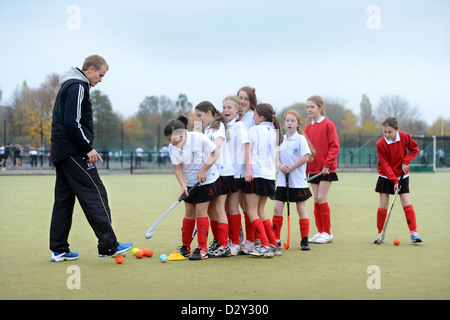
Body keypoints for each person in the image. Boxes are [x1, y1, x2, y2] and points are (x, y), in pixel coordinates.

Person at [49, 55, 132, 262]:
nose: (101, 80)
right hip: (73, 152)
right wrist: (87, 148)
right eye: (100, 75)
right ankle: (108, 246)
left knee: (64, 200)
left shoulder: (69, 85)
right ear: (91, 69)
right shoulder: (78, 86)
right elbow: (72, 122)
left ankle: (59, 249)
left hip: (61, 152)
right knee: (95, 192)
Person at [165, 114, 220, 260]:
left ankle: (202, 248)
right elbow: (178, 169)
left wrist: (204, 170)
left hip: (206, 180)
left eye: (173, 139)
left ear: (183, 134)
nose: (171, 142)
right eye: (169, 140)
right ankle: (186, 247)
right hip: (189, 183)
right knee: (189, 213)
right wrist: (183, 186)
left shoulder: (198, 138)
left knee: (201, 212)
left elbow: (216, 152)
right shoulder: (172, 147)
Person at [195, 101, 234, 258]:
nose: (198, 119)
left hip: (223, 172)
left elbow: (217, 144)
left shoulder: (218, 126)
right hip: (214, 173)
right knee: (211, 210)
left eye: (200, 115)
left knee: (219, 208)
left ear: (209, 113)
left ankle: (225, 246)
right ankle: (218, 241)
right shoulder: (207, 128)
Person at [374, 117, 422, 243]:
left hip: (403, 174)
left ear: (396, 130)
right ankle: (380, 233)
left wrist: (406, 161)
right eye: (384, 132)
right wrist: (394, 181)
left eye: (389, 132)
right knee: (383, 204)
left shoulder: (405, 137)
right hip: (385, 175)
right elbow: (385, 164)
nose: (387, 135)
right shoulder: (380, 144)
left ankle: (414, 233)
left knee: (406, 201)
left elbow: (414, 149)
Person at [244, 103, 283, 257]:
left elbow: (248, 151)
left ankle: (265, 245)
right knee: (261, 212)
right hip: (269, 177)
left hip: (256, 175)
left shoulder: (253, 130)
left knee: (251, 212)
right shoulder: (275, 131)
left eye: (254, 115)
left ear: (261, 117)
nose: (252, 118)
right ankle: (273, 244)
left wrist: (248, 170)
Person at [273, 110, 315, 251]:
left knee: (301, 208)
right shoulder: (281, 139)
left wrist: (290, 168)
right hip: (282, 181)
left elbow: (305, 157)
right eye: (287, 121)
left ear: (297, 123)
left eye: (293, 121)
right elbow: (276, 158)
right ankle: (276, 239)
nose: (289, 123)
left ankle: (304, 239)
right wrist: (280, 165)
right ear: (284, 123)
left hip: (297, 181)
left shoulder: (300, 139)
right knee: (277, 207)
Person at [304, 96, 340, 244]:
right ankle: (320, 231)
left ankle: (327, 232)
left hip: (326, 169)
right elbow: (306, 151)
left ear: (320, 108)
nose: (309, 110)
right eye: (307, 107)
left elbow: (335, 146)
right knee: (316, 200)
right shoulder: (307, 128)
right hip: (313, 168)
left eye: (312, 107)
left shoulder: (328, 125)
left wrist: (328, 163)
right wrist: (305, 170)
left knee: (321, 198)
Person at [222, 96, 252, 255]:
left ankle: (235, 242)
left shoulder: (239, 126)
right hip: (224, 172)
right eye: (224, 107)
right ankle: (229, 239)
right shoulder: (221, 126)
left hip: (238, 173)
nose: (226, 110)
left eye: (229, 107)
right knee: (225, 207)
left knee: (233, 206)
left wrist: (248, 170)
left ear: (237, 109)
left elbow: (247, 148)